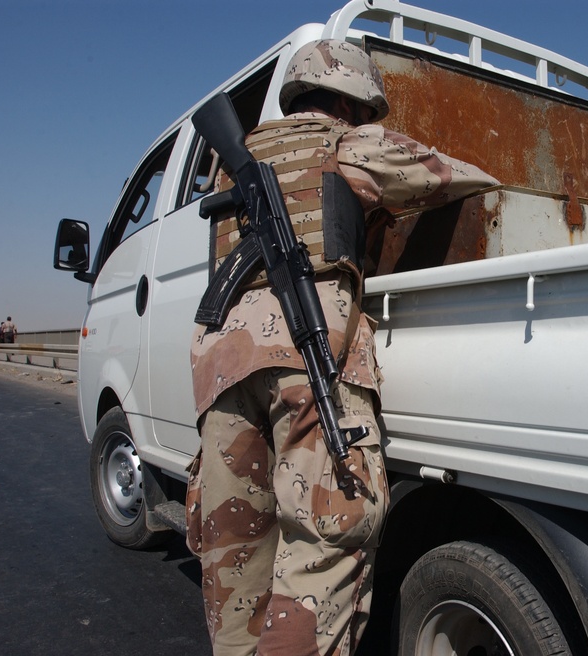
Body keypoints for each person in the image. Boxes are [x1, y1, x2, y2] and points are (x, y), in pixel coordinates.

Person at [186, 39, 499, 656]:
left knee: (233, 558)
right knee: (326, 543)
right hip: (310, 361)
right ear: (355, 102)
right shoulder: (349, 145)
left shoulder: (237, 158)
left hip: (222, 369)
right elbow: (468, 179)